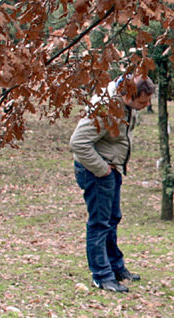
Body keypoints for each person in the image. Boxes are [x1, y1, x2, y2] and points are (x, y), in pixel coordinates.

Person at [69, 74, 156, 293]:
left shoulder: (125, 105)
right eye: (143, 102)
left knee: (112, 219)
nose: (147, 106)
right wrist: (102, 169)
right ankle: (102, 276)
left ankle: (116, 267)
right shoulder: (105, 109)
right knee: (100, 223)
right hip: (97, 171)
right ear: (127, 95)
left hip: (112, 168)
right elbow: (78, 142)